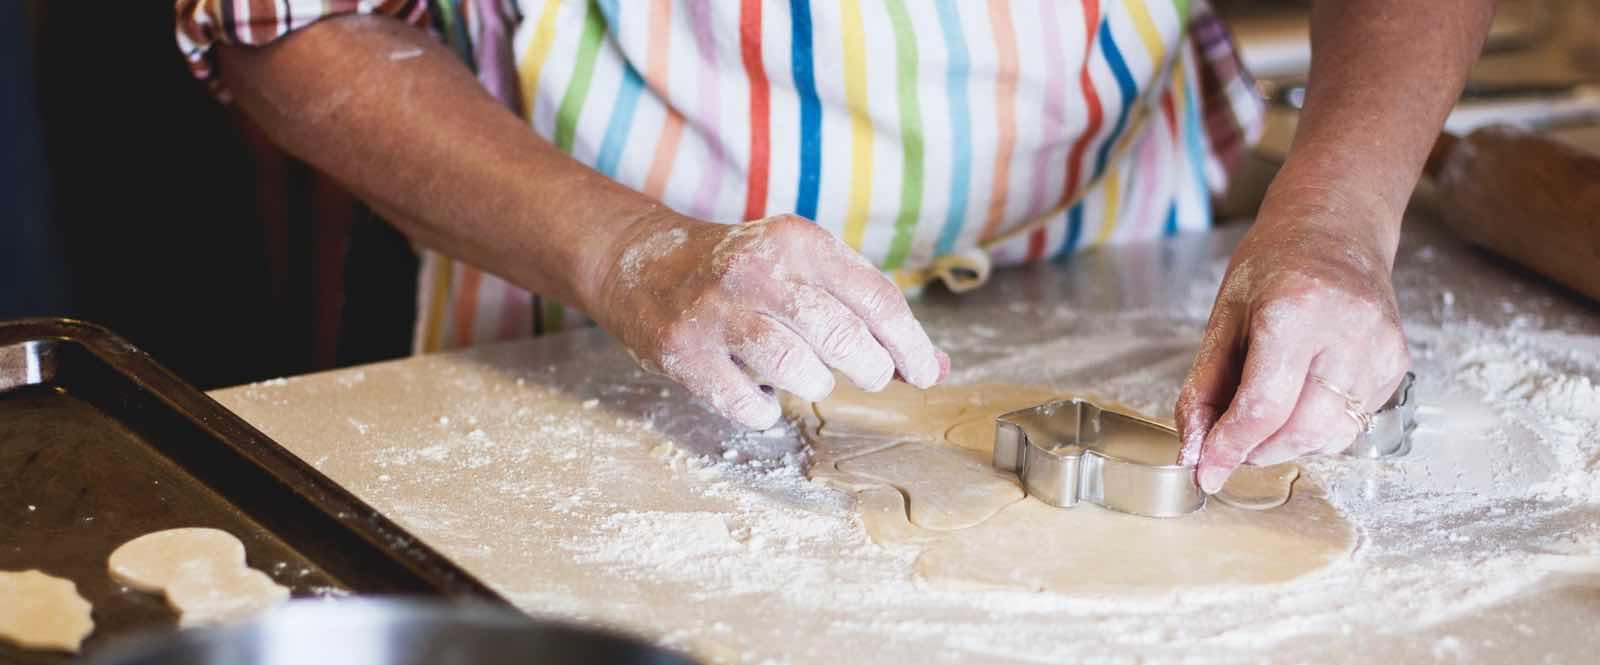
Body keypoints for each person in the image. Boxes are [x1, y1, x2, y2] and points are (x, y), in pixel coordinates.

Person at [174, 0, 1491, 493]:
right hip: (607, 339)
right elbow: (286, 22)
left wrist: (1338, 210)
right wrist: (630, 253)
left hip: (1129, 287)